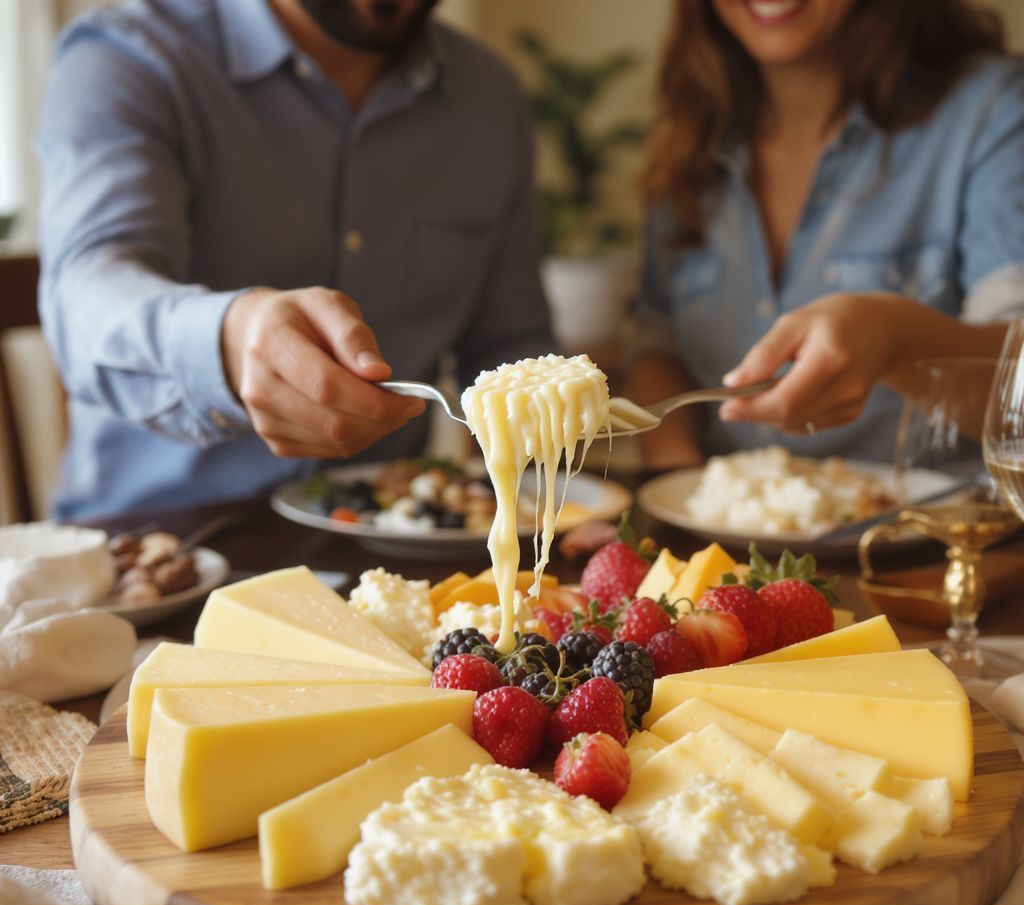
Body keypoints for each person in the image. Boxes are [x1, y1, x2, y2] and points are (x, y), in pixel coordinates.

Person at [36, 0, 552, 518]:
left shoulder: (488, 95)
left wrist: (560, 489)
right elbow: (86, 294)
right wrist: (229, 341)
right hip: (167, 536)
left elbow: (509, 346)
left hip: (391, 538)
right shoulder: (131, 53)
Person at [629, 0, 1024, 469]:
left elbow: (1017, 380)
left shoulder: (992, 110)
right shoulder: (693, 132)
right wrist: (676, 478)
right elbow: (658, 342)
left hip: (930, 536)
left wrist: (896, 337)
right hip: (711, 537)